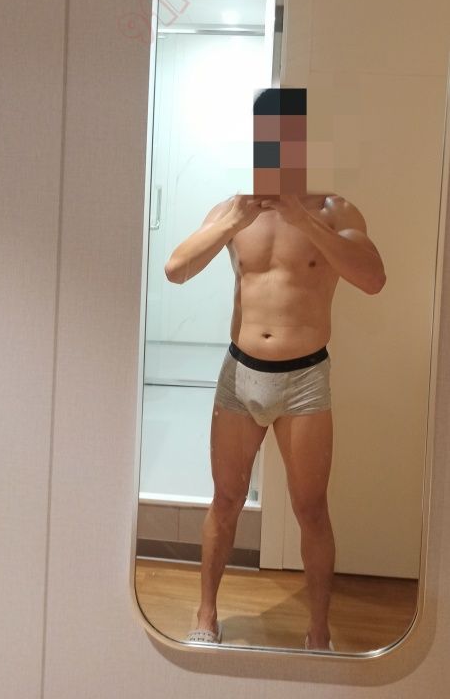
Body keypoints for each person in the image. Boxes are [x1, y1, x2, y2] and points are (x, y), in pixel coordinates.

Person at [164, 191, 386, 650]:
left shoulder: (333, 210)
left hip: (304, 378)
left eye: (289, 152)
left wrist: (303, 221)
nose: (278, 158)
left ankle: (319, 632)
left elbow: (373, 279)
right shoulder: (232, 209)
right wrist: (230, 225)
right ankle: (206, 614)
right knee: (226, 500)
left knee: (311, 509)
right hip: (240, 373)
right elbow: (175, 270)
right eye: (268, 152)